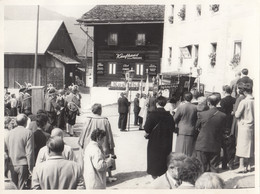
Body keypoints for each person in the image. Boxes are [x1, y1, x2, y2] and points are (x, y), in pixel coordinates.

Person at [78, 103, 116, 181]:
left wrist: (81, 141)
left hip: (90, 141)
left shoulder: (88, 119)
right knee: (107, 156)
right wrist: (111, 143)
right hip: (103, 141)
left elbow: (83, 131)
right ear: (99, 110)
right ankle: (110, 175)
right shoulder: (105, 120)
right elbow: (109, 133)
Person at [144, 96, 175, 179]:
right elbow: (173, 128)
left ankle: (155, 179)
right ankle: (163, 177)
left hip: (154, 142)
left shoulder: (152, 115)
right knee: (164, 160)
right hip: (166, 142)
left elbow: (147, 128)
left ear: (156, 103)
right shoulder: (169, 116)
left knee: (154, 160)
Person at [195, 94, 226, 173]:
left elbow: (196, 127)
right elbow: (223, 130)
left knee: (202, 168)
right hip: (215, 144)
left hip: (202, 144)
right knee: (214, 168)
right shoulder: (222, 115)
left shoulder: (202, 114)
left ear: (208, 103)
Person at [5, 114, 34, 189]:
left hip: (11, 164)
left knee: (13, 187)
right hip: (23, 164)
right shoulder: (28, 133)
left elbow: (6, 150)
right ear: (26, 122)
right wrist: (31, 168)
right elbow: (29, 152)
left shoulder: (9, 133)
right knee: (21, 188)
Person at [235, 83, 254, 173]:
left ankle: (241, 166)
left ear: (245, 91)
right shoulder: (255, 101)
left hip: (244, 125)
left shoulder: (244, 102)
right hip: (253, 125)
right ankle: (249, 165)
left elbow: (237, 114)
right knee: (250, 146)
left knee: (242, 146)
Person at [174, 92, 197, 156]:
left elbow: (174, 119)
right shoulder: (195, 108)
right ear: (191, 98)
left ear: (184, 98)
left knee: (180, 150)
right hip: (191, 130)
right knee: (190, 150)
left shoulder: (181, 107)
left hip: (181, 130)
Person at [219, 85, 236, 170]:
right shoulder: (234, 100)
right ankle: (231, 163)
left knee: (224, 144)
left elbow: (222, 113)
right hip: (232, 123)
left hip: (225, 124)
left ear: (224, 91)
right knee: (231, 144)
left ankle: (224, 164)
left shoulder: (223, 101)